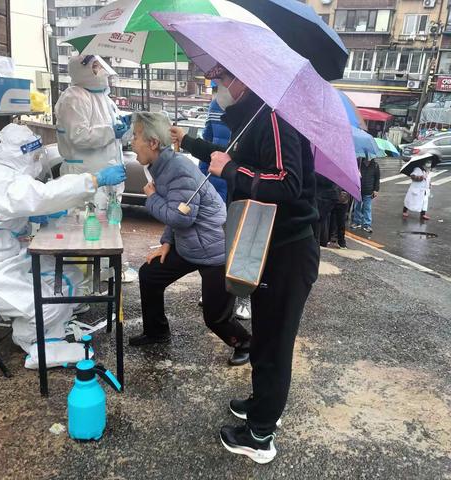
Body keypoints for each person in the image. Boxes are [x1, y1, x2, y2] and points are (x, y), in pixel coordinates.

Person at [171, 65, 319, 464]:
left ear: (244, 77)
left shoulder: (275, 114)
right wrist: (187, 142)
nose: (216, 84)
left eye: (221, 77)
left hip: (288, 249)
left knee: (273, 341)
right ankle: (260, 404)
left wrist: (233, 171)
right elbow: (229, 156)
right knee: (265, 332)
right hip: (267, 243)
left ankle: (260, 436)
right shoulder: (256, 115)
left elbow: (287, 183)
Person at [0, 124, 126, 366]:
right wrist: (94, 180)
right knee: (46, 302)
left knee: (68, 275)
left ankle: (41, 335)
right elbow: (41, 195)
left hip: (9, 255)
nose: (37, 162)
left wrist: (32, 216)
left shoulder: (0, 175)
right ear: (22, 155)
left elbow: (14, 206)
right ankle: (41, 350)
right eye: (34, 157)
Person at [128, 112, 251, 367]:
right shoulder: (160, 166)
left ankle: (246, 343)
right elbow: (177, 212)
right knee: (150, 275)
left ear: (152, 143)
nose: (131, 142)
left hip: (214, 250)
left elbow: (181, 217)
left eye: (135, 136)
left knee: (216, 317)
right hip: (189, 245)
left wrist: (151, 198)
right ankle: (157, 331)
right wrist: (166, 243)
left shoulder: (178, 169)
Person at [200, 82, 251, 321]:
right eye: (217, 83)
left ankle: (243, 298)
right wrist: (203, 177)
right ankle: (213, 291)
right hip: (214, 185)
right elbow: (207, 140)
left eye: (224, 80)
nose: (220, 88)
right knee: (214, 244)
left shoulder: (253, 115)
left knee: (240, 245)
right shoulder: (215, 106)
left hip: (238, 187)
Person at [55, 54, 129, 209]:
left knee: (109, 228)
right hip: (84, 176)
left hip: (108, 180)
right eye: (95, 66)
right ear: (81, 70)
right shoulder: (74, 97)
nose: (100, 70)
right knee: (84, 227)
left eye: (100, 65)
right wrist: (111, 132)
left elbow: (116, 137)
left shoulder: (105, 98)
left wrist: (128, 127)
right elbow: (78, 136)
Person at [350, 156, 380, 233]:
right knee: (357, 207)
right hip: (359, 190)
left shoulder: (375, 165)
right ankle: (357, 222)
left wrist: (376, 190)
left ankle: (367, 224)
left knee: (367, 208)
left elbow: (377, 179)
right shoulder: (359, 164)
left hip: (369, 191)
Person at [314, 174, 339, 248]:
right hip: (329, 196)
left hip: (322, 196)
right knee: (323, 221)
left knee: (317, 224)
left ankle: (319, 243)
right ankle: (322, 242)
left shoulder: (322, 169)